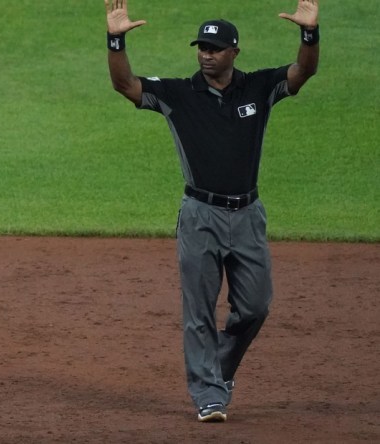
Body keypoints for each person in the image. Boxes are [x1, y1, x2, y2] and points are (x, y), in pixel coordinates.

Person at [103, 0, 319, 422]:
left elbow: (303, 72)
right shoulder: (177, 94)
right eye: (202, 47)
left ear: (234, 52)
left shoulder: (258, 88)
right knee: (199, 310)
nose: (206, 54)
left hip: (248, 216)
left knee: (255, 306)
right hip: (199, 216)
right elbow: (124, 83)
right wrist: (115, 39)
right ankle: (209, 395)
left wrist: (309, 33)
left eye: (215, 48)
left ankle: (219, 369)